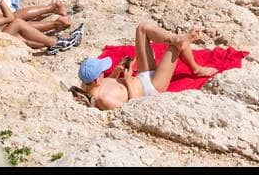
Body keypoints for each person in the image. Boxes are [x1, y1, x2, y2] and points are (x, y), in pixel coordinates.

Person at [76, 23, 216, 111]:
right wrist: (128, 81)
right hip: (152, 87)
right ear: (96, 80)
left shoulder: (88, 85)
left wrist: (117, 72)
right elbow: (134, 108)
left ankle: (175, 38)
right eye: (102, 72)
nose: (103, 73)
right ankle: (195, 68)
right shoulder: (104, 99)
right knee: (176, 47)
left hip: (140, 76)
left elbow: (109, 83)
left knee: (142, 28)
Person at [0, 0, 83, 54]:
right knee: (17, 24)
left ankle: (56, 29)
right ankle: (55, 41)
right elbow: (10, 18)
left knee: (16, 26)